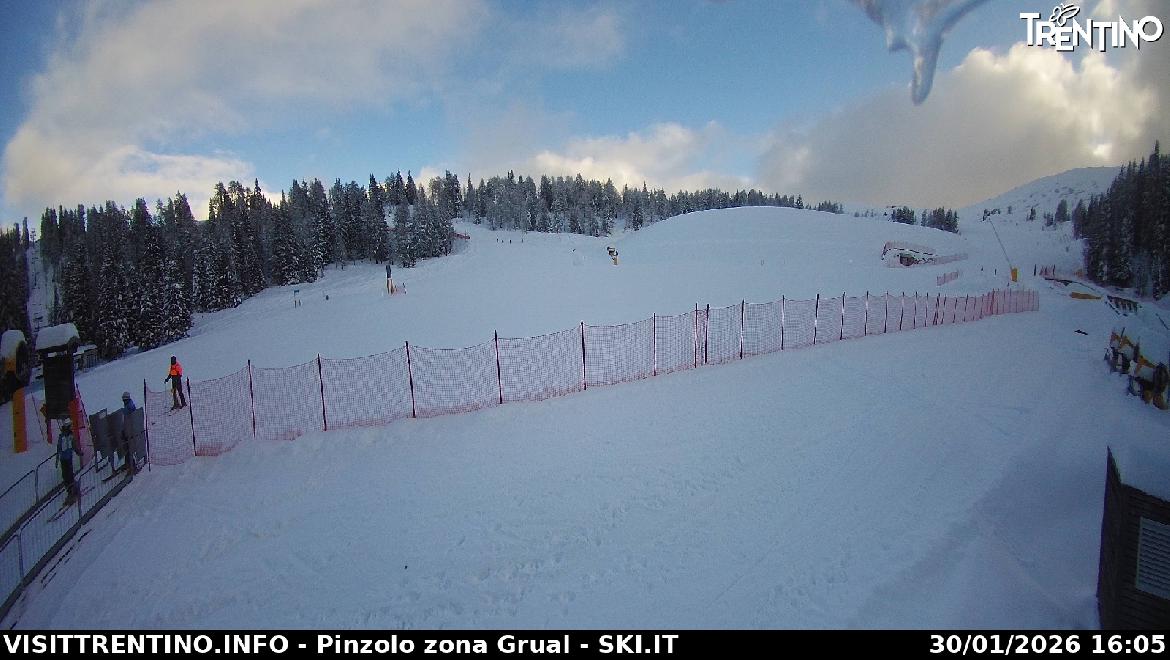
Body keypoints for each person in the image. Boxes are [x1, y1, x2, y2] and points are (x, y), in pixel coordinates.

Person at [57, 419, 80, 505]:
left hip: (68, 458)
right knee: (65, 476)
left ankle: (73, 492)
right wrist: (57, 458)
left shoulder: (70, 436)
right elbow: (59, 447)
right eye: (70, 426)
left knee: (69, 475)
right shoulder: (62, 436)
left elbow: (74, 445)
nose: (71, 428)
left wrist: (78, 452)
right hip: (63, 459)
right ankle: (71, 491)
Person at [120, 392, 138, 474]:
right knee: (126, 447)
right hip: (128, 430)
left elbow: (127, 416)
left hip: (129, 431)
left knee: (128, 448)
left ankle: (132, 465)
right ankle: (128, 463)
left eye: (124, 400)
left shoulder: (129, 407)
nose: (124, 401)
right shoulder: (129, 405)